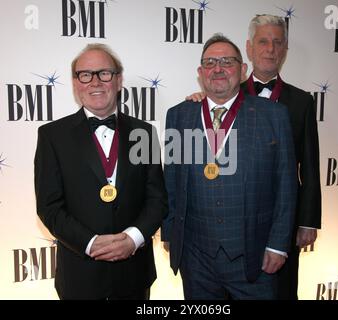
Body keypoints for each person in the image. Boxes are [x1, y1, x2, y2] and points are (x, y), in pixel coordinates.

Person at [186, 15, 322, 300]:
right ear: (248, 49)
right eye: (263, 41)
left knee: (281, 291)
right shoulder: (223, 91)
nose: (270, 49)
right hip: (233, 228)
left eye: (277, 42)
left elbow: (309, 165)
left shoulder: (301, 101)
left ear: (285, 49)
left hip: (281, 223)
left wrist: (308, 220)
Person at [161, 33, 297, 299]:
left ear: (243, 69)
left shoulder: (274, 115)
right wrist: (170, 233)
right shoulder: (179, 115)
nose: (218, 69)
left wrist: (278, 245)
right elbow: (172, 179)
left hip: (255, 257)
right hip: (196, 258)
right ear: (200, 72)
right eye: (210, 63)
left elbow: (287, 184)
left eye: (227, 61)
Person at [34, 43, 168, 300]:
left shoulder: (144, 133)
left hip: (134, 274)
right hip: (79, 276)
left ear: (118, 80)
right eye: (85, 74)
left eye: (104, 73)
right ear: (75, 83)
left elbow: (157, 199)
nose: (95, 82)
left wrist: (133, 238)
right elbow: (49, 207)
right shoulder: (52, 136)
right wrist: (91, 243)